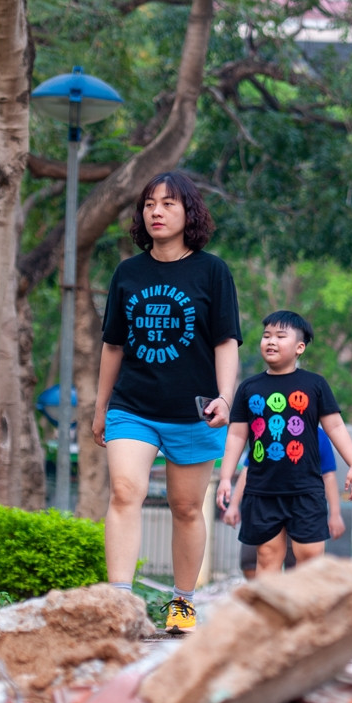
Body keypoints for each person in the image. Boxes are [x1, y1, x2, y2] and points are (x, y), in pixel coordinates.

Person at [93, 172, 242, 632]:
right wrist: (101, 408)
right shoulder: (128, 273)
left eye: (168, 204)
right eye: (149, 204)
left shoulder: (212, 271)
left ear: (188, 213)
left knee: (186, 508)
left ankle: (182, 602)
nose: (156, 212)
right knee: (125, 492)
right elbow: (113, 346)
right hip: (132, 407)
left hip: (193, 411)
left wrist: (225, 398)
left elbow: (225, 341)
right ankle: (121, 602)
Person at [216, 311, 352, 577]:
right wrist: (226, 478)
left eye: (280, 336)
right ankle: (272, 606)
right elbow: (236, 436)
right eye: (266, 336)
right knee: (267, 556)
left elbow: (335, 426)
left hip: (305, 489)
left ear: (299, 347)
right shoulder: (249, 388)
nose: (271, 341)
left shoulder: (315, 385)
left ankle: (306, 606)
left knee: (309, 559)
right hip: (262, 490)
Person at [233, 425, 344, 576]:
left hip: (302, 506)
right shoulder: (268, 430)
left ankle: (294, 590)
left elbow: (328, 475)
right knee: (253, 561)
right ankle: (265, 590)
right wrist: (233, 504)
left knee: (301, 563)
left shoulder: (318, 435)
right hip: (267, 502)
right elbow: (248, 469)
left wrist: (335, 514)